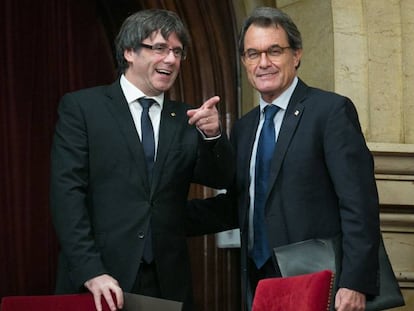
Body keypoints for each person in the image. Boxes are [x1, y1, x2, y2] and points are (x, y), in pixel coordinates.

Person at [187, 6, 380, 311]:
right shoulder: (245, 127)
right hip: (258, 280)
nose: (263, 63)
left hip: (319, 281)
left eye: (274, 51)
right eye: (253, 54)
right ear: (244, 62)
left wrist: (354, 281)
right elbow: (240, 205)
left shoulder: (330, 112)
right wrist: (161, 214)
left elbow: (359, 203)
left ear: (297, 54)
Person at [50, 9, 234, 311]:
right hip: (102, 279)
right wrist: (90, 270)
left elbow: (221, 178)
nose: (171, 59)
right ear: (129, 52)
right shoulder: (83, 108)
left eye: (177, 51)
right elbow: (67, 195)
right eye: (159, 48)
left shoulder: (185, 118)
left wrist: (213, 136)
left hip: (167, 282)